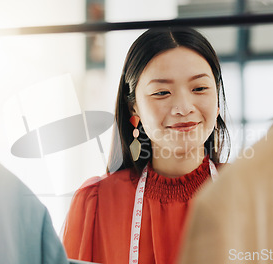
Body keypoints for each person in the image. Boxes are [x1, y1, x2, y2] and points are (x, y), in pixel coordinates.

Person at [62, 27, 230, 264]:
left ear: (217, 100)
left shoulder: (256, 193)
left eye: (200, 88)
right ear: (134, 108)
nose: (183, 107)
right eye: (162, 92)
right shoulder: (96, 204)